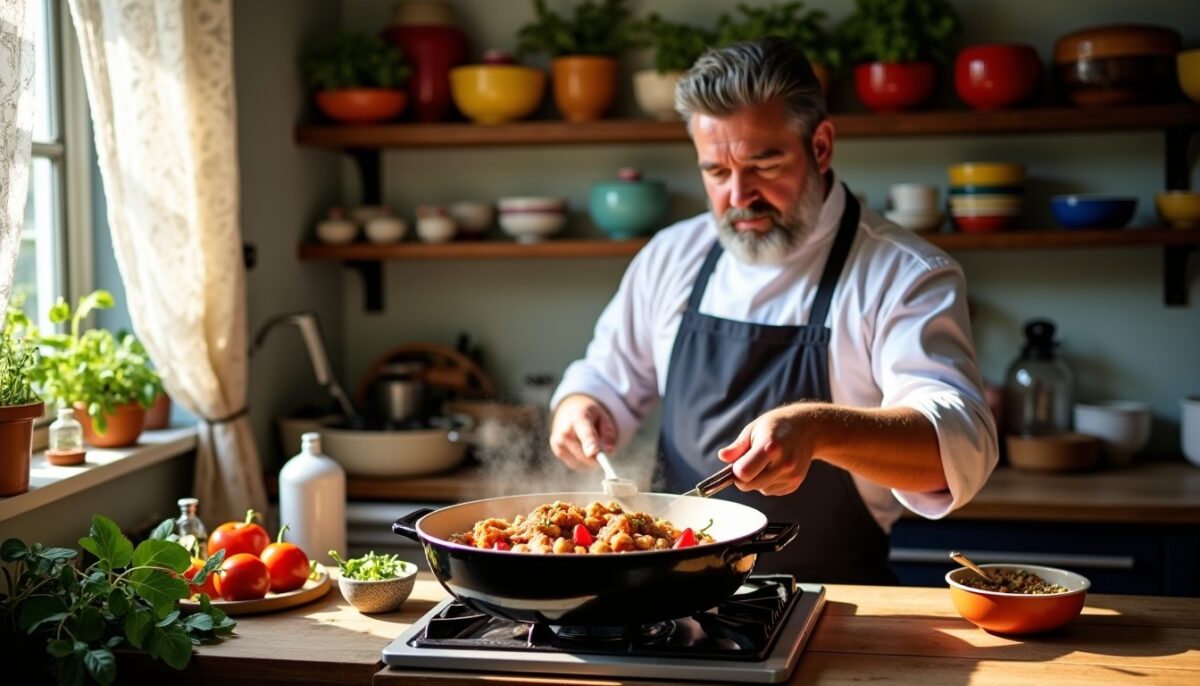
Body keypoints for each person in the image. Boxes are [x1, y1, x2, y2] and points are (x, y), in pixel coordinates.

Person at [547, 38, 998, 584]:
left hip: (839, 603)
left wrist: (819, 430)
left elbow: (958, 443)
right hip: (670, 597)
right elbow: (605, 376)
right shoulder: (671, 256)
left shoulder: (903, 273)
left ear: (821, 146)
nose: (740, 195)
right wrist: (580, 405)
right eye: (716, 172)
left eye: (764, 162)